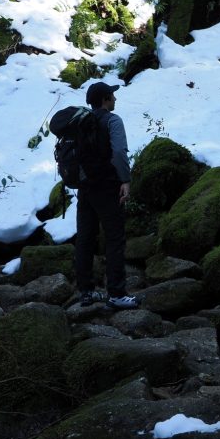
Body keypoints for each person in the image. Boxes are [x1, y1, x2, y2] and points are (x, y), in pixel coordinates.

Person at [75, 81, 138, 309]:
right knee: (114, 239)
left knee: (85, 238)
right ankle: (117, 294)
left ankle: (86, 292)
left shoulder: (81, 123)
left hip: (85, 188)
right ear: (105, 99)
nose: (115, 99)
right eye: (112, 96)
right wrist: (125, 180)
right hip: (108, 186)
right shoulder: (113, 120)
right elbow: (119, 152)